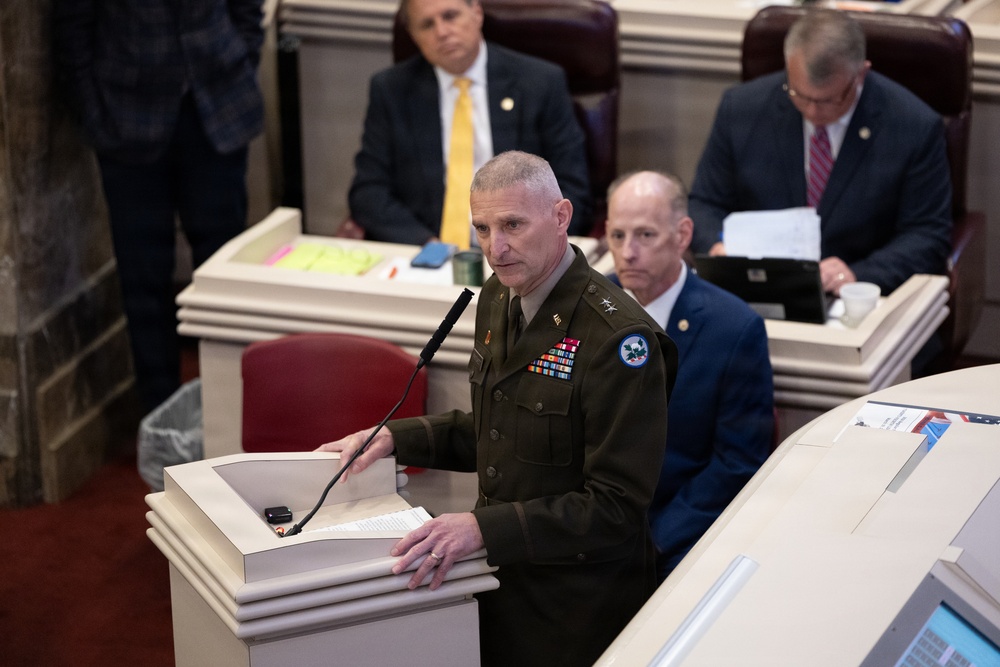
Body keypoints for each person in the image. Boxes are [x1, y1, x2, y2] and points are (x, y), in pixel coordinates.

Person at [320, 151, 675, 667]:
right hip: (500, 581)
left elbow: (615, 507)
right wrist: (396, 437)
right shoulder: (497, 295)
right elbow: (501, 430)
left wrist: (482, 528)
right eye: (482, 228)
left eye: (512, 224)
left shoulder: (620, 339)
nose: (495, 248)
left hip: (578, 606)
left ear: (561, 217)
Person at [51, 1, 265, 414]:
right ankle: (162, 416)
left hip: (217, 107)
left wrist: (240, 57)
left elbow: (247, 8)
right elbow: (71, 28)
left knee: (224, 273)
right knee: (143, 281)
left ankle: (232, 411)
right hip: (126, 118)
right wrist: (94, 116)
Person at [688, 8, 952, 297]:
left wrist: (859, 275)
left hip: (856, 297)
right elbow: (704, 203)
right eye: (800, 95)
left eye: (830, 100)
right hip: (755, 289)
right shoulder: (740, 109)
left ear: (861, 73)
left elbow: (927, 233)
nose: (813, 112)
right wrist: (719, 247)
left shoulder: (913, 126)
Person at [606, 171, 774, 580]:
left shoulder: (733, 329)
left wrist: (656, 540)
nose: (627, 253)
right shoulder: (588, 306)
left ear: (682, 235)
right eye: (617, 236)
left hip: (680, 537)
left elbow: (737, 463)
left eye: (645, 236)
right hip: (589, 528)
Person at [349, 0, 593, 244]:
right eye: (426, 25)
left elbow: (570, 186)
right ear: (413, 35)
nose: (442, 32)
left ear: (476, 14)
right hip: (428, 253)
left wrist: (521, 245)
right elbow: (369, 192)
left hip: (520, 249)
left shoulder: (540, 84)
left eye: (450, 16)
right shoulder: (391, 90)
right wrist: (427, 244)